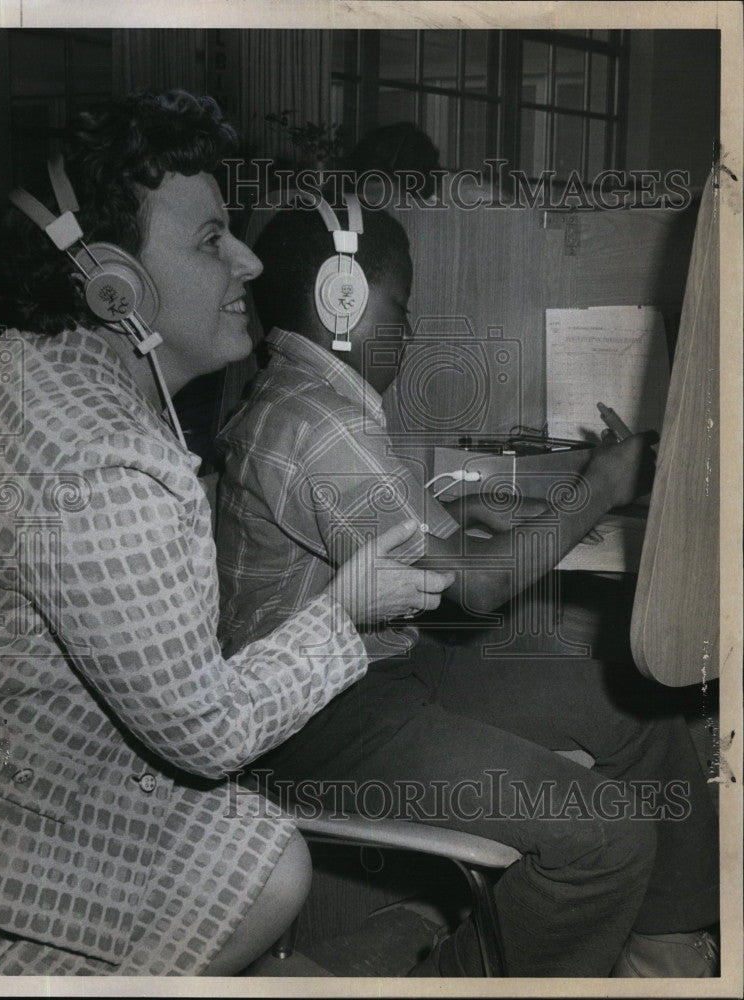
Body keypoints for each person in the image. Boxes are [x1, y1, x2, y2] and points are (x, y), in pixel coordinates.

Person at [0, 91, 453, 977]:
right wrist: (344, 613)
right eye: (209, 240)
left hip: (6, 774)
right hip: (19, 831)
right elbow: (207, 732)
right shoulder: (109, 463)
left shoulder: (32, 363)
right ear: (111, 283)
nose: (249, 264)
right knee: (268, 862)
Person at [214, 200, 720, 978]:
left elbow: (358, 538)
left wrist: (446, 510)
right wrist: (597, 489)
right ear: (340, 301)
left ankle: (671, 945)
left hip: (378, 670)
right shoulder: (323, 422)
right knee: (606, 838)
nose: (410, 332)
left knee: (634, 704)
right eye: (401, 307)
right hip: (316, 724)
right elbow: (480, 588)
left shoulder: (301, 394)